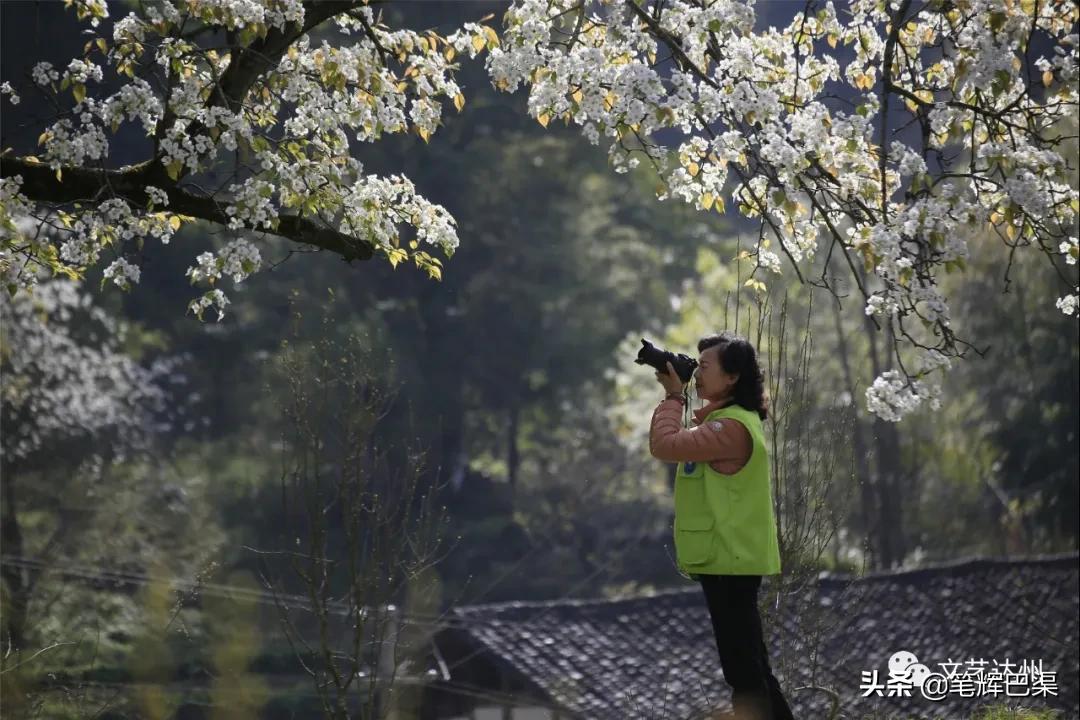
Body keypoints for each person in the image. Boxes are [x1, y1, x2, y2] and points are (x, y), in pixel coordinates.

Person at [649, 332, 795, 720]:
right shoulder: (727, 421)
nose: (697, 374)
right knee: (753, 667)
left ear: (732, 377)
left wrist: (672, 398)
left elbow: (665, 445)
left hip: (731, 561)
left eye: (705, 367)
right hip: (728, 559)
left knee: (743, 672)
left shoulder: (729, 428)